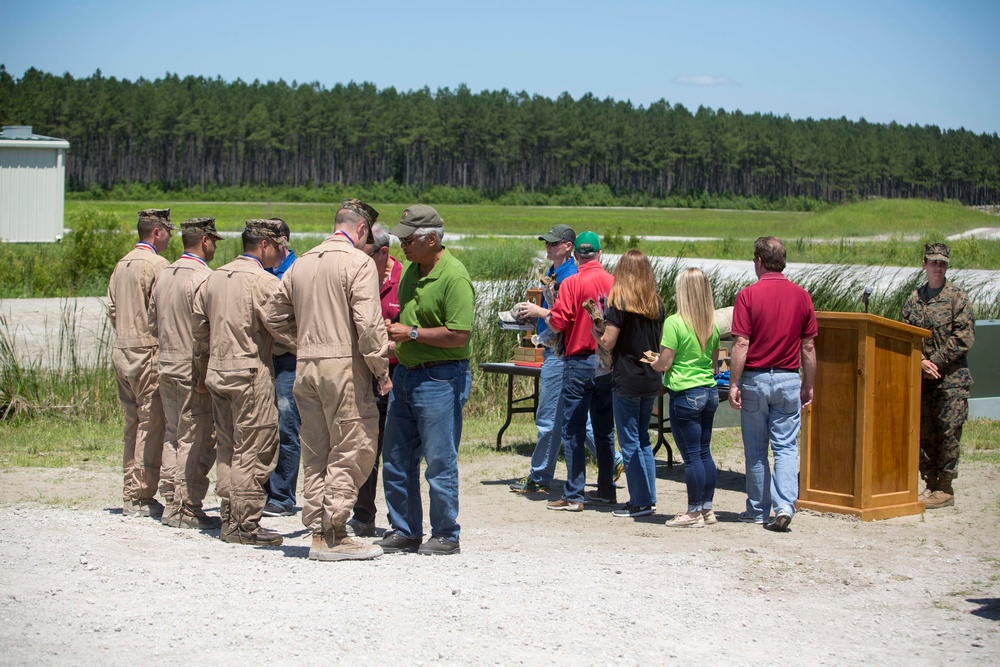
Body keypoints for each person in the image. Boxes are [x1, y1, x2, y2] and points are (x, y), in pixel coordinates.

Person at [266, 200, 390, 562]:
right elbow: (368, 325)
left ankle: (319, 530)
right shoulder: (358, 262)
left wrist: (301, 340)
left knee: (317, 450)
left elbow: (274, 315)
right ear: (362, 230)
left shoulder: (302, 262)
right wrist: (380, 370)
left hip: (306, 366)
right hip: (344, 367)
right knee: (353, 445)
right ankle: (335, 531)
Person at [375, 205, 474, 556]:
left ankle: (447, 533)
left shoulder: (454, 276)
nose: (402, 244)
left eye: (408, 239)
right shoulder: (411, 272)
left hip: (441, 377)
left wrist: (411, 334)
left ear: (432, 239)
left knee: (438, 459)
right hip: (405, 374)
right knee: (396, 457)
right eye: (401, 238)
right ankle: (405, 530)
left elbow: (460, 335)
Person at [510, 224, 623, 495]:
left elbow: (561, 320)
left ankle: (552, 482)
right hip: (577, 355)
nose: (548, 247)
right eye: (546, 243)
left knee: (552, 418)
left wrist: (539, 312)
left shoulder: (571, 276)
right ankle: (612, 467)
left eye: (553, 243)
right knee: (576, 419)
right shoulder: (554, 272)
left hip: (566, 355)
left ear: (569, 247)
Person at [193, 219, 285, 546]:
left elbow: (199, 331)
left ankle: (230, 516)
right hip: (249, 372)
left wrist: (203, 370)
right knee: (255, 447)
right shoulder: (263, 281)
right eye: (278, 246)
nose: (281, 252)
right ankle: (245, 525)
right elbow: (283, 327)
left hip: (217, 371)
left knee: (228, 445)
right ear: (263, 245)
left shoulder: (214, 277)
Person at [728, 237, 817, 532]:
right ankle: (784, 505)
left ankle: (756, 508)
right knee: (786, 447)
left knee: (756, 450)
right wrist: (809, 384)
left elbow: (741, 343)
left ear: (760, 262)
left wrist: (734, 382)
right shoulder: (802, 296)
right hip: (789, 378)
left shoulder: (748, 295)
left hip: (755, 377)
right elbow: (808, 348)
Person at [147, 217, 223, 530]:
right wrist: (205, 372)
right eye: (214, 241)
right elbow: (207, 329)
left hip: (165, 363)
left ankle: (170, 498)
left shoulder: (164, 274)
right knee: (197, 437)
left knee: (173, 433)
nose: (216, 246)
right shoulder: (204, 277)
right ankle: (186, 505)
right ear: (204, 240)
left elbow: (152, 322)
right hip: (192, 367)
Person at [543, 231, 616, 512]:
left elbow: (559, 323)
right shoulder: (614, 282)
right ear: (599, 254)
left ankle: (574, 494)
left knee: (573, 429)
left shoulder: (572, 282)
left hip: (578, 360)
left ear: (575, 256)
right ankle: (607, 490)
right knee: (604, 430)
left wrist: (543, 316)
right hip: (607, 362)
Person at [108, 208, 173, 518]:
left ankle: (129, 491)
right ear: (156, 232)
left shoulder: (122, 264)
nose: (171, 237)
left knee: (132, 422)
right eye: (168, 232)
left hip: (122, 347)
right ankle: (142, 495)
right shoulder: (158, 265)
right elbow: (164, 310)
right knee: (151, 422)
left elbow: (112, 309)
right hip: (147, 348)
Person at [902, 242, 976, 510]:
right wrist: (920, 360)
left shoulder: (957, 297)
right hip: (921, 378)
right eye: (933, 262)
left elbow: (963, 337)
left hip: (951, 381)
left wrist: (934, 361)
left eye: (942, 263)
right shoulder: (915, 298)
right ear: (924, 264)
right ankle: (929, 484)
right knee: (924, 434)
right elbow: (905, 334)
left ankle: (944, 488)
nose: (938, 267)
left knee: (948, 433)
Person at [597, 250, 664, 518]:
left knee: (629, 442)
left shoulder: (621, 302)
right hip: (650, 377)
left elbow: (608, 342)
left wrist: (597, 331)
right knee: (644, 440)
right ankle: (648, 497)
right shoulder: (656, 303)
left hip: (626, 378)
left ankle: (639, 501)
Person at [651, 268, 720, 528]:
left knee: (691, 456)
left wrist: (653, 363)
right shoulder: (711, 323)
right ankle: (706, 508)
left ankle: (692, 513)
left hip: (686, 393)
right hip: (709, 391)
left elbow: (665, 363)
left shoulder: (674, 322)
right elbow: (713, 363)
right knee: (704, 452)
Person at [347, 223, 402, 538]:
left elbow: (412, 330)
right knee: (364, 446)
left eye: (366, 255)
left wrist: (390, 338)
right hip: (366, 372)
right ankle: (364, 515)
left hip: (395, 374)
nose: (360, 259)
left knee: (394, 450)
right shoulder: (358, 276)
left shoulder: (404, 279)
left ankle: (401, 521)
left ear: (384, 252)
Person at [262, 219, 302, 519]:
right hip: (264, 359)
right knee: (262, 425)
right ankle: (261, 489)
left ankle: (282, 495)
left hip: (289, 357)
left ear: (284, 241)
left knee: (287, 427)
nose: (267, 249)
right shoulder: (259, 270)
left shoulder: (297, 270)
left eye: (272, 243)